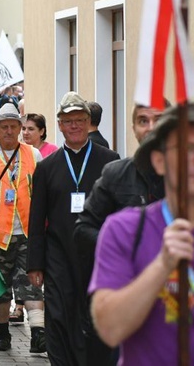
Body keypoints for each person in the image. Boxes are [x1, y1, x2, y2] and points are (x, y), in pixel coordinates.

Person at [89, 101, 194, 365]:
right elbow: (110, 330)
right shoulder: (124, 231)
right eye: (188, 149)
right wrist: (162, 266)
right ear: (159, 161)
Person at [26, 91, 119, 366]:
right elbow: (36, 218)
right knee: (57, 314)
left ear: (88, 122)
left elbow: (117, 212)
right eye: (68, 122)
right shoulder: (47, 167)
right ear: (60, 125)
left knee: (93, 312)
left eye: (80, 120)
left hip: (98, 255)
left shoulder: (109, 161)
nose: (74, 126)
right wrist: (35, 264)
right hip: (58, 255)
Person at [0, 103, 46, 354]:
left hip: (27, 230)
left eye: (13, 126)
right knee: (0, 287)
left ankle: (38, 334)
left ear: (19, 128)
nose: (9, 131)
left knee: (31, 283)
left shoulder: (33, 155)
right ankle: (3, 334)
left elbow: (41, 192)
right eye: (3, 126)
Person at [74, 104, 166, 274]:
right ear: (134, 129)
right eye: (143, 121)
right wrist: (120, 244)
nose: (151, 128)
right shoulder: (115, 174)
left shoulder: (190, 177)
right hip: (127, 281)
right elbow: (84, 228)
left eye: (159, 119)